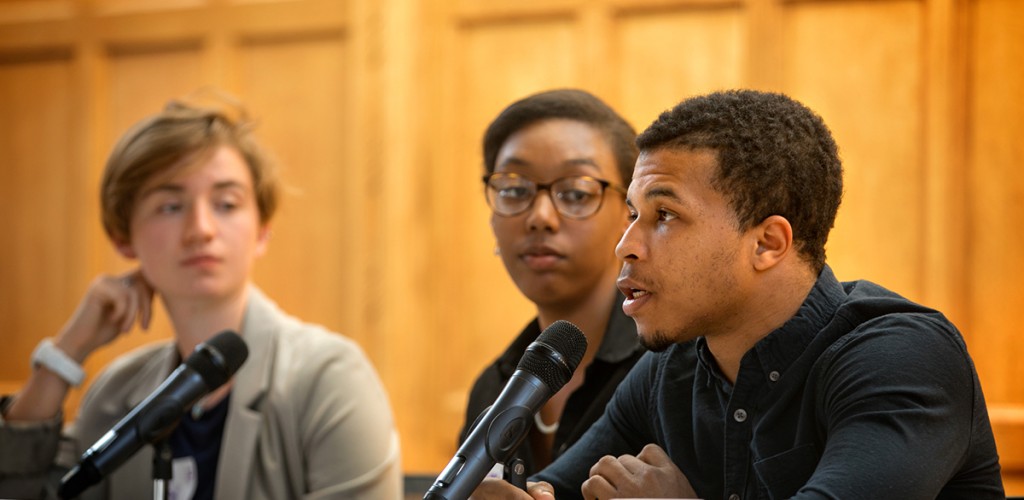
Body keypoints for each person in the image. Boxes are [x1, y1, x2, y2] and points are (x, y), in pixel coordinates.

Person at [472, 89, 1004, 499]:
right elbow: (556, 488)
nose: (625, 246)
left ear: (768, 243)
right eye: (633, 214)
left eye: (664, 216)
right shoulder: (668, 370)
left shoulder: (901, 358)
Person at [0, 92, 402, 499]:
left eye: (227, 204)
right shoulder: (115, 395)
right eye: (171, 206)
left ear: (262, 230)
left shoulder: (329, 379)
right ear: (124, 237)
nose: (201, 229)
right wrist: (66, 353)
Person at [460, 89, 646, 477]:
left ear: (629, 213)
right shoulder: (492, 386)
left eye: (575, 193)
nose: (540, 217)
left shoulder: (665, 367)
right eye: (514, 190)